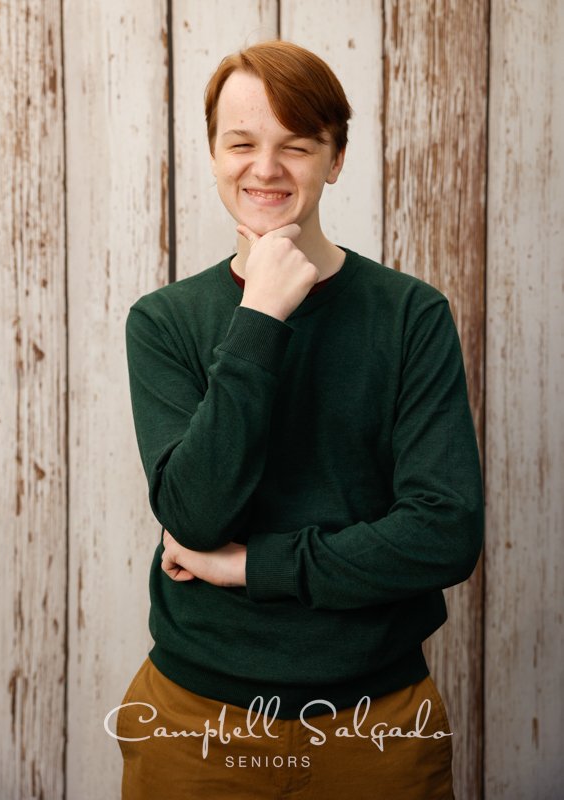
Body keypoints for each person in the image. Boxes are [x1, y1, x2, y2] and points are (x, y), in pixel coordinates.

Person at [117, 39, 484, 799]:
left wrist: (246, 566)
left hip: (376, 722)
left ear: (335, 156)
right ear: (213, 153)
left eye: (296, 145)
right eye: (242, 143)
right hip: (196, 721)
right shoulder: (164, 322)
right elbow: (194, 509)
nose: (265, 168)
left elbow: (443, 533)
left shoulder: (410, 315)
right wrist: (260, 317)